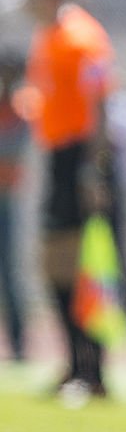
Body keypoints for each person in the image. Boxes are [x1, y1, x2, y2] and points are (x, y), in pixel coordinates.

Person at [22, 0, 119, 398]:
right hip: (59, 156)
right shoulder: (49, 35)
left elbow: (99, 107)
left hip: (80, 158)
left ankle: (93, 369)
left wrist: (92, 172)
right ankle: (73, 362)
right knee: (54, 263)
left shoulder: (81, 37)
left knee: (81, 266)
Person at [0, 48, 29, 361]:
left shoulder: (23, 109)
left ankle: (19, 344)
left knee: (9, 273)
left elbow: (12, 150)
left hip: (6, 199)